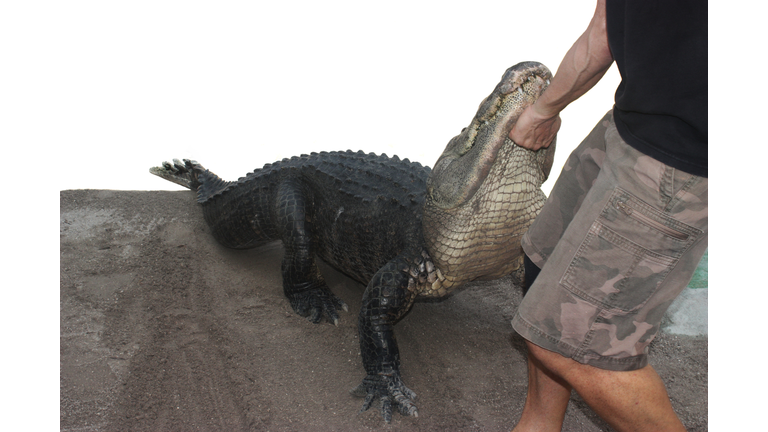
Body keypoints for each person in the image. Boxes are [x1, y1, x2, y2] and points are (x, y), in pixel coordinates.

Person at [507, 0, 707, 431]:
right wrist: (544, 109)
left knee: (574, 344)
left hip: (683, 158)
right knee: (541, 265)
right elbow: (604, 29)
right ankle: (538, 425)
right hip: (628, 123)